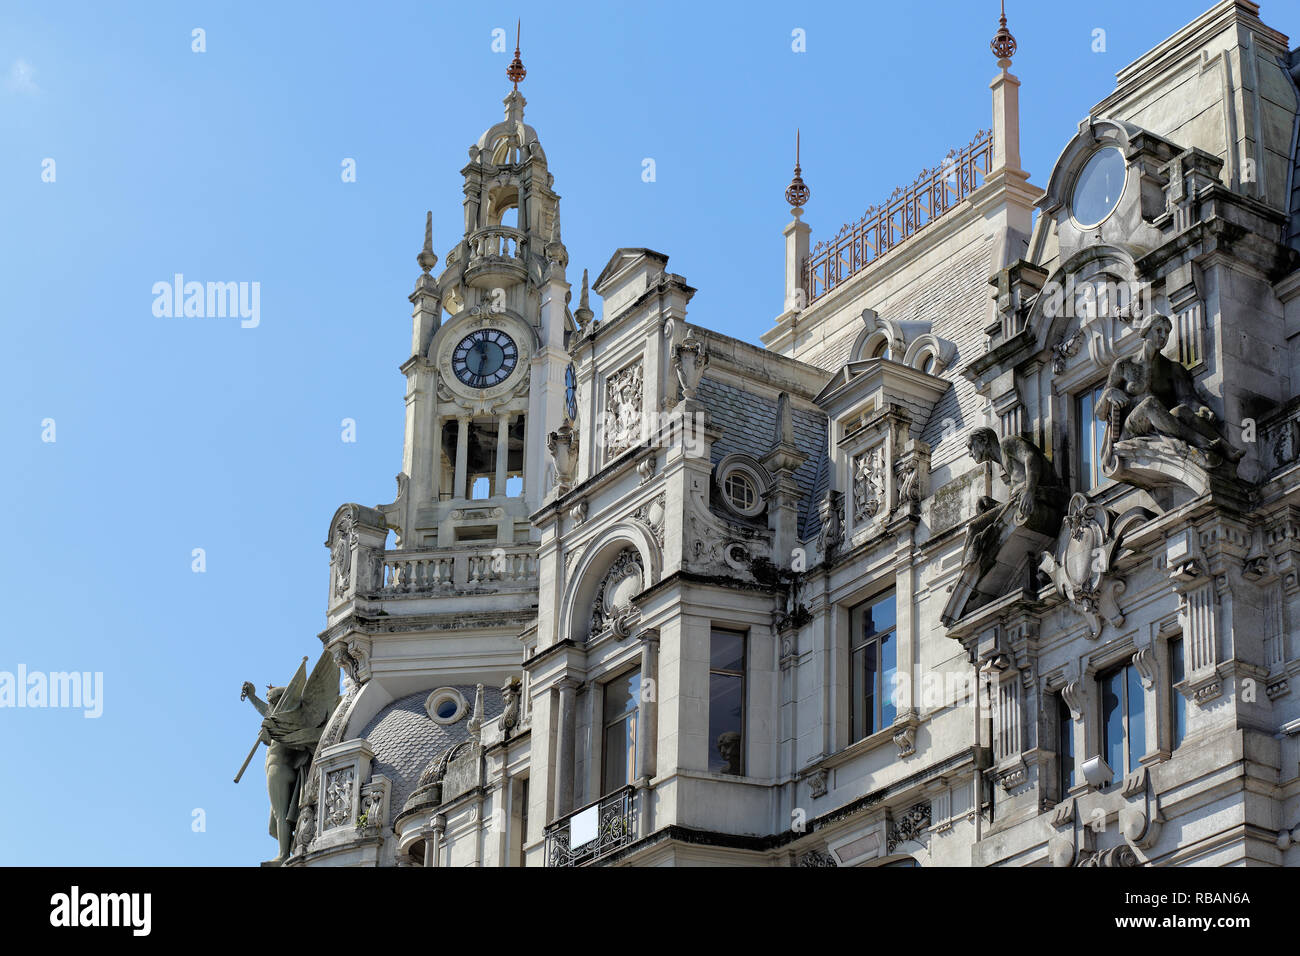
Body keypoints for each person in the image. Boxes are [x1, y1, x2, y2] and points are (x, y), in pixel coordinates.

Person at [1098, 313, 1243, 465]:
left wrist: (1201, 408)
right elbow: (1099, 413)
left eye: (1167, 332)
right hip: (1132, 429)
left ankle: (1227, 448)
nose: (1163, 336)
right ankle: (1198, 440)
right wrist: (1108, 393)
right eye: (1158, 330)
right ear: (1146, 332)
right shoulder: (1124, 365)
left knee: (1182, 411)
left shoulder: (1173, 369)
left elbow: (1187, 398)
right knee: (1149, 403)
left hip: (1164, 421)